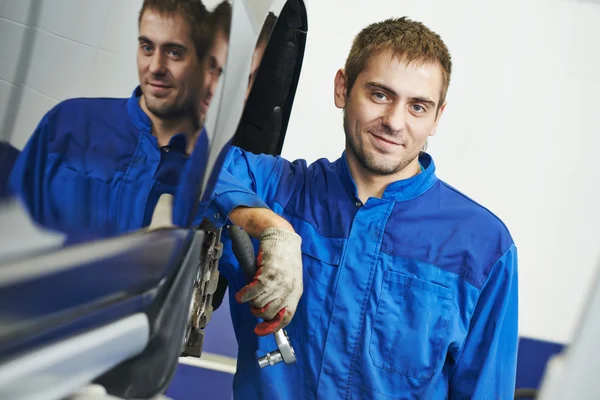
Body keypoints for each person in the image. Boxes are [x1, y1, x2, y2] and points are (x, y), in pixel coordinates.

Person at [208, 16, 519, 399]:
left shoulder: (482, 245)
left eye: (418, 107)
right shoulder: (278, 189)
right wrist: (271, 224)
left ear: (437, 117)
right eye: (380, 95)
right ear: (343, 88)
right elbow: (176, 156)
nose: (394, 122)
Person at [7, 0, 263, 236]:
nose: (154, 67)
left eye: (174, 52)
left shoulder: (199, 165)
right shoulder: (69, 123)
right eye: (147, 47)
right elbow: (10, 223)